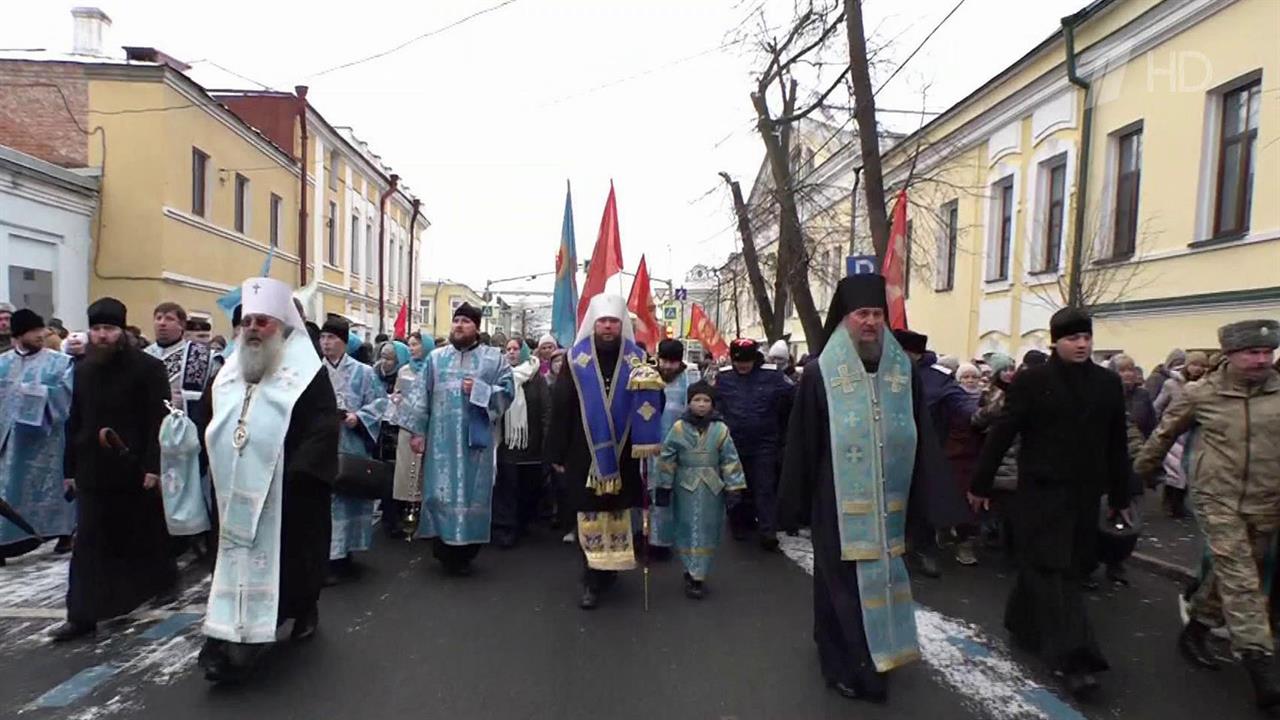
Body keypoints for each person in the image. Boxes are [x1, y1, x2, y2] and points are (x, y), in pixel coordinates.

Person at [778, 274, 960, 704]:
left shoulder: (903, 371)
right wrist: (793, 505)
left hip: (888, 503)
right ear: (845, 319)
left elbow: (922, 435)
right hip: (835, 498)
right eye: (862, 314)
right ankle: (846, 665)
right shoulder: (822, 372)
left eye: (878, 314)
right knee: (839, 584)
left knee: (881, 580)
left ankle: (878, 655)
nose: (871, 323)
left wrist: (931, 500)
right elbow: (803, 442)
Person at [968, 307, 1132, 698]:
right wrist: (980, 483)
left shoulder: (1107, 383)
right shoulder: (1033, 382)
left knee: (1058, 565)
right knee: (1056, 570)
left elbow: (1117, 443)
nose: (1081, 344)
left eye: (1086, 337)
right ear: (1056, 341)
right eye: (1073, 338)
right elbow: (1003, 432)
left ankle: (1021, 621)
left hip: (1084, 493)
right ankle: (1076, 660)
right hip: (1040, 492)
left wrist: (1122, 495)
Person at [195, 278, 338, 683]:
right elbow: (212, 418)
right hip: (235, 489)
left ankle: (299, 611)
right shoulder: (228, 373)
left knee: (290, 564)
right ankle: (224, 641)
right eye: (249, 322)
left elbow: (323, 425)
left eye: (264, 321)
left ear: (282, 328)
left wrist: (302, 470)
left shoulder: (306, 373)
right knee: (233, 566)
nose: (254, 328)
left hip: (290, 491)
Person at [1134, 320, 1280, 710]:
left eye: (1267, 353)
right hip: (1218, 498)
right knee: (1241, 577)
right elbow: (1164, 434)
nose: (1261, 360)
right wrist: (1141, 473)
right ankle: (1260, 666)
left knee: (1234, 572)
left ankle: (1196, 628)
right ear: (1230, 355)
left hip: (1269, 499)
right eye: (1252, 352)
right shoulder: (1202, 394)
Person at [50, 298, 176, 641]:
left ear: (121, 332)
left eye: (109, 329)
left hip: (132, 469)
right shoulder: (84, 369)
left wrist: (153, 466)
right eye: (97, 329)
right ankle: (81, 616)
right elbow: (74, 420)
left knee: (137, 535)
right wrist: (70, 469)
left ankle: (148, 588)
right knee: (88, 542)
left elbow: (158, 422)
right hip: (92, 469)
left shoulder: (148, 369)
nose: (102, 336)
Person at [545, 294, 664, 610]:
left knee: (616, 514)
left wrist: (653, 389)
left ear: (620, 323)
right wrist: (556, 452)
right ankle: (590, 580)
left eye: (613, 321)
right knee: (588, 516)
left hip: (624, 453)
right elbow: (561, 407)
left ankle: (609, 569)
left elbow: (650, 407)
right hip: (583, 454)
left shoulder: (637, 359)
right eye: (603, 322)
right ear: (594, 325)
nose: (608, 327)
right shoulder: (575, 359)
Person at [401, 303, 511, 574]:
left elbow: (508, 392)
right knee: (438, 494)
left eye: (466, 321)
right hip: (440, 444)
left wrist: (481, 389)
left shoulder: (493, 359)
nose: (459, 325)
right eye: (456, 320)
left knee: (472, 495)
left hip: (475, 445)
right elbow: (419, 397)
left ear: (476, 327)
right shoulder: (436, 358)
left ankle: (465, 554)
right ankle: (442, 551)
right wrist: (417, 432)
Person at [894, 329, 977, 578]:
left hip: (925, 453)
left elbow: (963, 404)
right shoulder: (887, 373)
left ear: (914, 354)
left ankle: (923, 551)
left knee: (922, 507)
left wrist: (981, 410)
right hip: (889, 452)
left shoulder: (938, 379)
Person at [654, 380, 745, 599]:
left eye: (706, 400)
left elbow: (730, 459)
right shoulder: (678, 428)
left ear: (713, 404)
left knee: (709, 528)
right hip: (685, 484)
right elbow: (667, 457)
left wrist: (734, 487)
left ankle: (699, 572)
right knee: (685, 526)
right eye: (697, 400)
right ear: (689, 402)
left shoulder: (720, 429)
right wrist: (664, 485)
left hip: (712, 487)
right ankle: (691, 570)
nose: (702, 405)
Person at [0, 309, 75, 563]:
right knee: (10, 488)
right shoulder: (3, 363)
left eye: (41, 329)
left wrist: (37, 394)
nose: (41, 334)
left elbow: (67, 398)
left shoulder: (61, 362)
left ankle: (62, 532)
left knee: (51, 489)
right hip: (11, 441)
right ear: (20, 334)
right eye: (33, 331)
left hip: (48, 440)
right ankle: (11, 537)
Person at [319, 314, 385, 583]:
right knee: (326, 500)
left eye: (332, 338)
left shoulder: (364, 372)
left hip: (352, 443)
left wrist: (359, 417)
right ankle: (327, 557)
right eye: (322, 338)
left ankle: (345, 553)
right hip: (321, 445)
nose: (326, 343)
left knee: (348, 497)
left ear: (344, 342)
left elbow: (380, 404)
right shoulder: (314, 371)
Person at [715, 338, 793, 551]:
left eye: (747, 361)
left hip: (764, 443)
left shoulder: (773, 376)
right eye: (738, 361)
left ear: (755, 359)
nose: (743, 366)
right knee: (735, 486)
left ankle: (768, 532)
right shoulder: (724, 378)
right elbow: (715, 405)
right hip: (733, 443)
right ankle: (738, 523)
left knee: (764, 486)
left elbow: (791, 399)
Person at [493, 337, 550, 548]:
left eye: (516, 348)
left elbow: (546, 410)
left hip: (531, 445)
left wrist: (546, 440)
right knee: (506, 487)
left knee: (528, 488)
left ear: (524, 351)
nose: (511, 352)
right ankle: (506, 529)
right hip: (507, 443)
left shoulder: (536, 377)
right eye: (508, 349)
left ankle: (523, 523)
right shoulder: (501, 376)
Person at [971, 353, 1019, 557]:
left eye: (1011, 369)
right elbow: (977, 420)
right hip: (998, 454)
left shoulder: (1021, 391)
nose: (1009, 373)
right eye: (1005, 370)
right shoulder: (989, 393)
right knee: (997, 503)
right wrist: (994, 408)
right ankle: (993, 536)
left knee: (1013, 508)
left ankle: (1009, 544)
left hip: (1017, 456)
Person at [648, 339, 692, 559]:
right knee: (650, 494)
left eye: (672, 362)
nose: (666, 366)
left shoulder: (688, 380)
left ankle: (665, 541)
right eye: (663, 360)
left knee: (669, 495)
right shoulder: (649, 377)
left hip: (677, 449)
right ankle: (648, 538)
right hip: (649, 447)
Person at [1152, 350, 1209, 517]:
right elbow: (1158, 405)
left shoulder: (1207, 386)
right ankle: (1171, 503)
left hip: (1196, 431)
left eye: (1202, 365)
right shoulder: (1172, 384)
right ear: (1187, 365)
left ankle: (1179, 502)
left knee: (1189, 470)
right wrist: (1160, 425)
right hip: (1175, 430)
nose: (1198, 369)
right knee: (1174, 471)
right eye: (1194, 364)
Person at [387, 333, 432, 539]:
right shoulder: (405, 369)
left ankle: (425, 518)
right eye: (410, 345)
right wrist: (397, 397)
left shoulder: (434, 368)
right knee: (407, 474)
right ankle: (406, 518)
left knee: (426, 474)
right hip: (407, 426)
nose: (412, 348)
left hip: (430, 428)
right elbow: (397, 392)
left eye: (416, 344)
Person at [144, 303, 213, 421]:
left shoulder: (198, 355)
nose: (162, 323)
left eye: (169, 319)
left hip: (183, 423)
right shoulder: (144, 354)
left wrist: (184, 399)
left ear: (182, 325)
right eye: (158, 318)